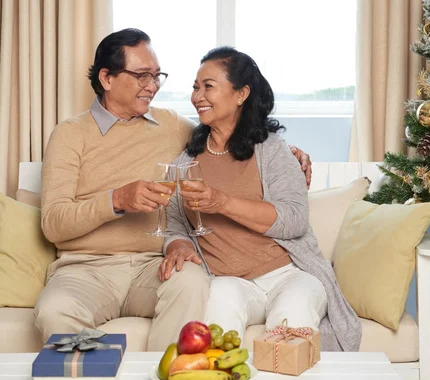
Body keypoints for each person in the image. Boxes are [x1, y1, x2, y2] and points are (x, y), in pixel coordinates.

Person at [35, 29, 312, 351]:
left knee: (193, 285)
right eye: (141, 76)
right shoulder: (69, 134)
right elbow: (53, 224)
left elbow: (231, 134)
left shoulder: (174, 127)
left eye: (157, 75)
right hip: (86, 269)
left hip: (157, 264)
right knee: (55, 311)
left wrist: (290, 154)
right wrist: (116, 199)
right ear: (107, 78)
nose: (152, 86)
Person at [161, 47, 361, 351]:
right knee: (218, 321)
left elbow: (294, 220)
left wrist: (221, 202)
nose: (197, 96)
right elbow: (175, 224)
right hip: (230, 281)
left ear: (241, 94)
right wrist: (178, 244)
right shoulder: (184, 162)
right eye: (195, 87)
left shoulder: (272, 150)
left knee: (291, 319)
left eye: (208, 86)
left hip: (290, 274)